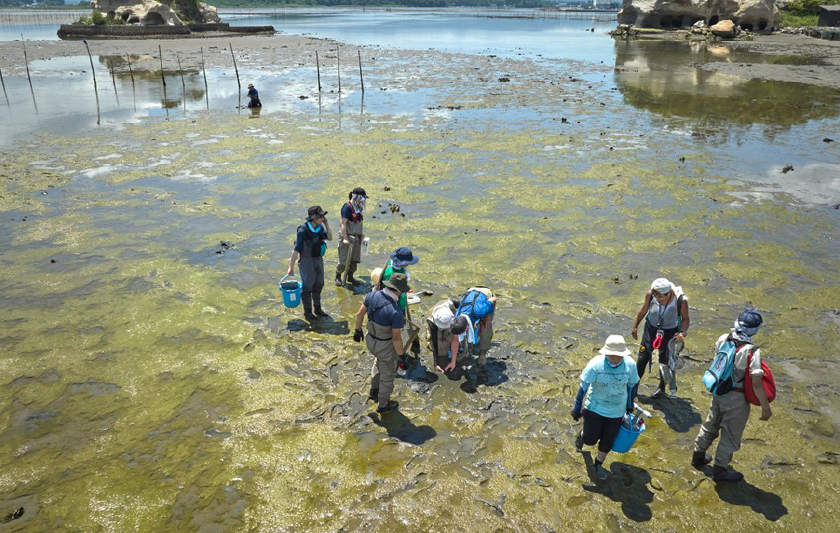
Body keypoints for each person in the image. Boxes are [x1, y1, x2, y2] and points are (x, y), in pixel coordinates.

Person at [692, 308, 772, 482]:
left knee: (711, 423)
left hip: (718, 391)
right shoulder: (751, 350)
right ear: (755, 330)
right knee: (730, 434)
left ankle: (698, 456)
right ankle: (720, 470)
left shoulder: (723, 339)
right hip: (737, 397)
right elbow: (756, 382)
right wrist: (765, 407)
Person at [571, 335, 640, 480]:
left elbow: (631, 387)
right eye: (612, 355)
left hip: (616, 411)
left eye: (619, 356)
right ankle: (583, 436)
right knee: (591, 440)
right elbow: (583, 387)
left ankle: (598, 464)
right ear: (606, 352)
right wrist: (577, 407)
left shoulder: (630, 365)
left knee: (608, 441)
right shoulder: (596, 364)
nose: (615, 358)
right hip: (594, 407)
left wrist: (629, 406)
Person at [353, 273, 411, 413]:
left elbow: (359, 314)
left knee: (377, 362)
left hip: (370, 340)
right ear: (399, 290)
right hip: (385, 346)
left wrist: (357, 330)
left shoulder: (372, 295)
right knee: (387, 375)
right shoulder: (395, 312)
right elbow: (396, 339)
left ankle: (374, 390)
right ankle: (383, 404)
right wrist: (402, 355)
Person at [630, 277, 690, 398]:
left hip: (670, 332)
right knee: (642, 358)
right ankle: (634, 387)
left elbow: (685, 319)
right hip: (651, 329)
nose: (659, 299)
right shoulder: (650, 295)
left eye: (662, 296)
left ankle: (661, 388)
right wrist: (635, 326)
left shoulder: (680, 300)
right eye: (657, 296)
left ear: (669, 293)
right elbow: (643, 310)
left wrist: (682, 332)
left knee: (665, 361)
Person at [378, 247, 421, 369]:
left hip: (401, 300)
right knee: (395, 330)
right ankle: (396, 352)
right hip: (393, 305)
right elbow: (388, 293)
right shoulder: (390, 273)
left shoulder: (398, 267)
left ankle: (406, 345)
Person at [287, 206, 332, 321]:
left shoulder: (320, 228)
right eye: (321, 216)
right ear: (313, 218)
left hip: (318, 259)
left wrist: (326, 224)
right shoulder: (303, 230)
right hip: (306, 261)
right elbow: (296, 249)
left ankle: (318, 309)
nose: (323, 218)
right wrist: (290, 267)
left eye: (323, 216)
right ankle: (308, 312)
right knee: (307, 287)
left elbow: (330, 238)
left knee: (319, 283)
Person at [455, 287, 497, 373]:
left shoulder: (480, 311)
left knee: (486, 329)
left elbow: (494, 299)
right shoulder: (457, 316)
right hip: (470, 293)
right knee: (469, 328)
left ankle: (482, 354)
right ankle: (468, 351)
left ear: (467, 326)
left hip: (486, 295)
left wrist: (488, 314)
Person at [426, 299, 469, 372]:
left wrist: (453, 360)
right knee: (441, 353)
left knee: (453, 337)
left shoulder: (450, 304)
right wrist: (435, 363)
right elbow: (434, 342)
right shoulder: (432, 322)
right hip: (435, 326)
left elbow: (455, 339)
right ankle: (428, 332)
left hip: (450, 321)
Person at [335, 187, 367, 286]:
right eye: (361, 198)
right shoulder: (347, 207)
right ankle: (338, 276)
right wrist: (345, 238)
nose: (363, 200)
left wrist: (361, 233)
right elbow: (343, 224)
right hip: (347, 237)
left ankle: (350, 277)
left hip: (356, 237)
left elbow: (359, 221)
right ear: (356, 197)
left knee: (355, 260)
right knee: (343, 261)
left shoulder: (359, 207)